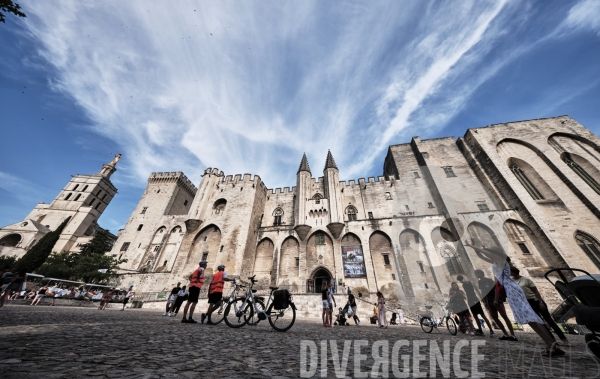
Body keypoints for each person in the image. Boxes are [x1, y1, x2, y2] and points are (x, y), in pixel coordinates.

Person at [465, 240, 565, 357]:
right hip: (510, 289)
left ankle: (551, 346)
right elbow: (481, 255)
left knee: (531, 319)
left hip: (511, 289)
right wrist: (474, 247)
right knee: (532, 317)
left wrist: (473, 245)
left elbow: (484, 253)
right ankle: (552, 344)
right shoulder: (498, 262)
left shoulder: (501, 260)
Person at [510, 266, 571, 347]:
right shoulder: (512, 281)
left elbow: (535, 291)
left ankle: (564, 340)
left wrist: (540, 302)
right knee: (541, 322)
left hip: (535, 301)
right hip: (527, 303)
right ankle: (553, 340)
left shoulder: (526, 279)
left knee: (549, 321)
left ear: (514, 272)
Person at [473, 269, 515, 340]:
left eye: (477, 273)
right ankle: (505, 333)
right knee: (495, 317)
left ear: (481, 273)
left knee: (504, 316)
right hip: (488, 302)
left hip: (496, 301)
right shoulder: (480, 282)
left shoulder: (489, 280)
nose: (476, 275)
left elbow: (496, 289)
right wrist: (484, 302)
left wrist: (496, 299)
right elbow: (482, 292)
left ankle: (513, 334)